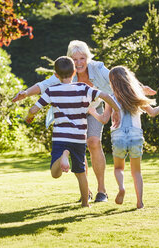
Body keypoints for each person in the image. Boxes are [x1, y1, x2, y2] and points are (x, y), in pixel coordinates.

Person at [13, 40, 156, 202]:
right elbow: (44, 85)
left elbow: (120, 78)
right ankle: (85, 190)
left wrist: (138, 90)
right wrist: (25, 93)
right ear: (69, 60)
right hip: (74, 112)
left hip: (95, 108)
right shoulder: (66, 71)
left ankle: (101, 190)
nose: (79, 62)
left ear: (88, 58)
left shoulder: (98, 68)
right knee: (79, 147)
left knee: (93, 142)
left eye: (82, 58)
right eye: (74, 59)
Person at [25, 56, 120, 207]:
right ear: (74, 71)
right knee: (80, 172)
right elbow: (105, 96)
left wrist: (29, 116)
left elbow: (33, 109)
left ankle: (63, 155)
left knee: (55, 174)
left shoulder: (52, 91)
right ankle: (85, 204)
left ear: (56, 75)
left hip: (60, 137)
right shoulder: (83, 88)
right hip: (78, 138)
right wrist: (116, 109)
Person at [88, 66, 159, 209]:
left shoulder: (110, 98)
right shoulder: (136, 95)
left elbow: (104, 119)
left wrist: (93, 112)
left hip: (118, 136)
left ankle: (121, 188)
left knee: (118, 168)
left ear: (111, 82)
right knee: (137, 171)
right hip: (135, 135)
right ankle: (139, 202)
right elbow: (153, 112)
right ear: (128, 79)